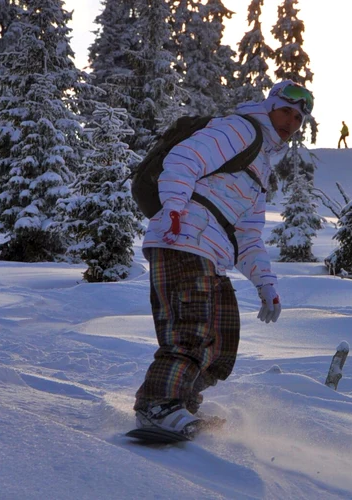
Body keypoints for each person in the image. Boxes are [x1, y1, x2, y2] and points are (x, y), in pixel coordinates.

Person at [134, 80, 314, 433]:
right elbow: (185, 158)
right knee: (192, 332)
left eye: (298, 117)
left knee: (221, 342)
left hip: (212, 250)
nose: (291, 122)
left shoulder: (261, 167)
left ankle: (181, 402)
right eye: (285, 111)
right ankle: (157, 405)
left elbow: (247, 236)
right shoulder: (240, 129)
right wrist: (172, 206)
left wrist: (266, 283)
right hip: (181, 236)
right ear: (269, 106)